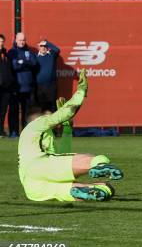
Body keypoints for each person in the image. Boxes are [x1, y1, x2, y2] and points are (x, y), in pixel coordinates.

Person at [18, 70, 124, 202]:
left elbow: (61, 156)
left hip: (32, 187)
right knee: (94, 159)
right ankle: (99, 164)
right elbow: (65, 113)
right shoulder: (37, 123)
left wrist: (67, 128)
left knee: (98, 189)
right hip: (41, 165)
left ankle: (101, 190)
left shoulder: (28, 140)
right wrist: (81, 92)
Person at [8, 32, 37, 135]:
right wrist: (24, 63)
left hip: (27, 88)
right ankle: (14, 132)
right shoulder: (11, 52)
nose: (22, 42)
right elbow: (15, 66)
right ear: (16, 40)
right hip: (16, 88)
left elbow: (33, 63)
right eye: (20, 40)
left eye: (23, 40)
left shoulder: (28, 52)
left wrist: (22, 62)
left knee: (26, 112)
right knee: (14, 111)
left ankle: (25, 133)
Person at [35, 39, 61, 112]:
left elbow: (57, 50)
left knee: (53, 106)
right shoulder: (35, 57)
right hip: (39, 87)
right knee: (41, 106)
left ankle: (54, 123)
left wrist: (47, 42)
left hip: (51, 86)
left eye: (45, 46)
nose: (43, 47)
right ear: (38, 47)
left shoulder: (52, 55)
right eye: (41, 46)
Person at [0, 34, 15, 137]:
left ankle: (1, 131)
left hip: (6, 88)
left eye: (2, 41)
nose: (1, 43)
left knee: (3, 111)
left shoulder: (6, 55)